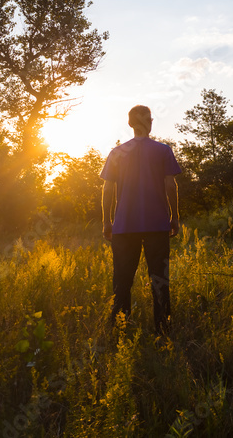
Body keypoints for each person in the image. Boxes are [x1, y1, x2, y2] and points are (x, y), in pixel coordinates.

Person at [100, 105, 181, 334]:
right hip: (157, 225)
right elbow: (170, 186)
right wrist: (174, 217)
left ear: (129, 124)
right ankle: (163, 329)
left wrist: (107, 221)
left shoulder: (117, 152)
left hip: (124, 226)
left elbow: (107, 189)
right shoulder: (163, 150)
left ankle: (120, 328)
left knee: (122, 279)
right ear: (151, 122)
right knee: (159, 279)